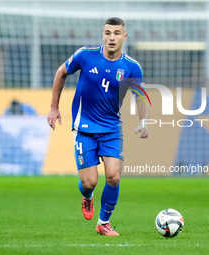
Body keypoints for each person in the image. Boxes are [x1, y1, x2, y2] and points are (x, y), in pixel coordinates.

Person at [47, 17, 149, 236]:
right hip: (84, 128)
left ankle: (103, 223)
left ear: (124, 36)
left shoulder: (131, 67)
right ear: (103, 35)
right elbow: (60, 73)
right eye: (107, 33)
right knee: (90, 182)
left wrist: (143, 120)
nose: (111, 37)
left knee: (114, 176)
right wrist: (54, 108)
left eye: (116, 33)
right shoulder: (85, 55)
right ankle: (86, 196)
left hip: (112, 128)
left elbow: (140, 96)